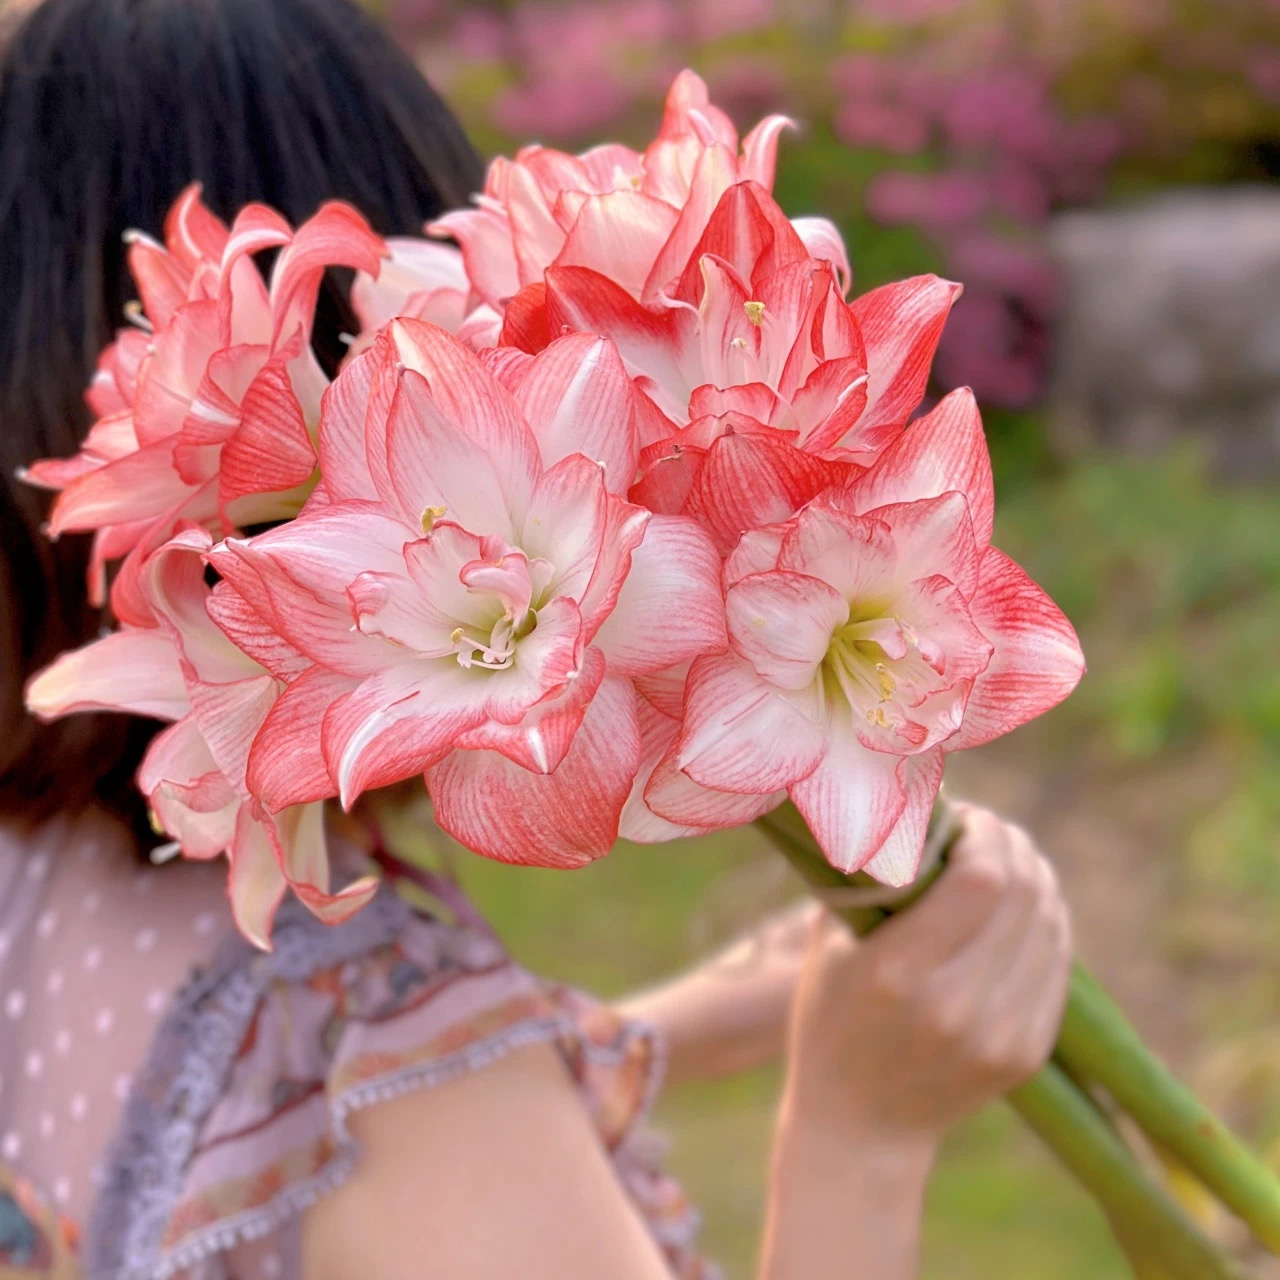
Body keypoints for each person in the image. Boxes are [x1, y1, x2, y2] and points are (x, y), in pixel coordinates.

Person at [0, 0, 1073, 1277]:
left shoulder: (53, 875)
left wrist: (675, 1028)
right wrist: (862, 1129)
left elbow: (246, 1142)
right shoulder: (407, 1081)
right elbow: (408, 1126)